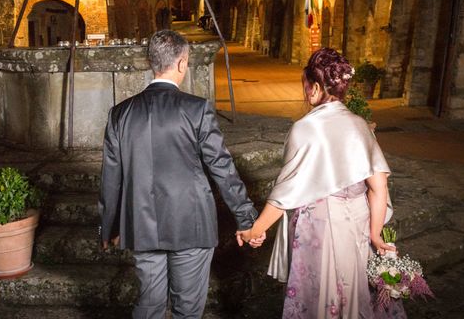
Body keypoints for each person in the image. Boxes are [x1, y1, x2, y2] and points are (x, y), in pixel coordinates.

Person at [99, 29, 263, 318]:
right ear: (181, 63)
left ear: (152, 62)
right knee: (187, 309)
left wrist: (110, 226)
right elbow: (222, 168)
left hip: (141, 225)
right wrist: (247, 219)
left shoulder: (120, 113)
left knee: (148, 305)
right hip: (191, 224)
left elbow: (111, 178)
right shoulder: (196, 109)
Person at [237, 47, 401, 318]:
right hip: (358, 224)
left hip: (320, 229)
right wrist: (374, 234)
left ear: (314, 87)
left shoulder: (306, 128)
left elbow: (285, 193)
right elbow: (378, 185)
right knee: (356, 295)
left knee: (323, 299)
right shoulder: (360, 124)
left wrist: (256, 230)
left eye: (305, 85)